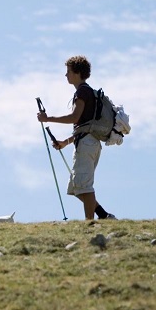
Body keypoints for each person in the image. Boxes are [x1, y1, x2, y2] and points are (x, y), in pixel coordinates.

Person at [36, 55, 116, 221]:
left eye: (68, 72)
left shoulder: (82, 91)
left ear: (78, 73)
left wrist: (47, 118)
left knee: (84, 187)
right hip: (90, 142)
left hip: (86, 144)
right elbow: (84, 125)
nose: (66, 75)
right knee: (76, 187)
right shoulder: (88, 92)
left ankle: (90, 224)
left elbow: (74, 117)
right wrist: (65, 142)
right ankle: (103, 216)